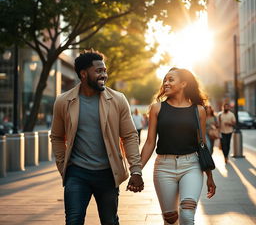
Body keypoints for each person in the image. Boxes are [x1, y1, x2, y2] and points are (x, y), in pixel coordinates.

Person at [50, 49, 144, 225]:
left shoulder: (118, 100)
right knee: (73, 220)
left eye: (105, 70)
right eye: (99, 71)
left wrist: (136, 170)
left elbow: (130, 136)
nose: (104, 75)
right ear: (83, 74)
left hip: (108, 174)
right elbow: (56, 136)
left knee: (110, 221)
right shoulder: (63, 101)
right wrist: (64, 166)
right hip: (77, 173)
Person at [140, 67, 216, 225]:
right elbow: (149, 142)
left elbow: (201, 144)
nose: (166, 83)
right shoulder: (157, 108)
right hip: (163, 167)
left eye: (171, 80)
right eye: (165, 80)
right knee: (170, 220)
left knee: (187, 216)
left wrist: (209, 176)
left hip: (191, 166)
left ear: (183, 84)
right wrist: (136, 170)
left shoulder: (199, 110)